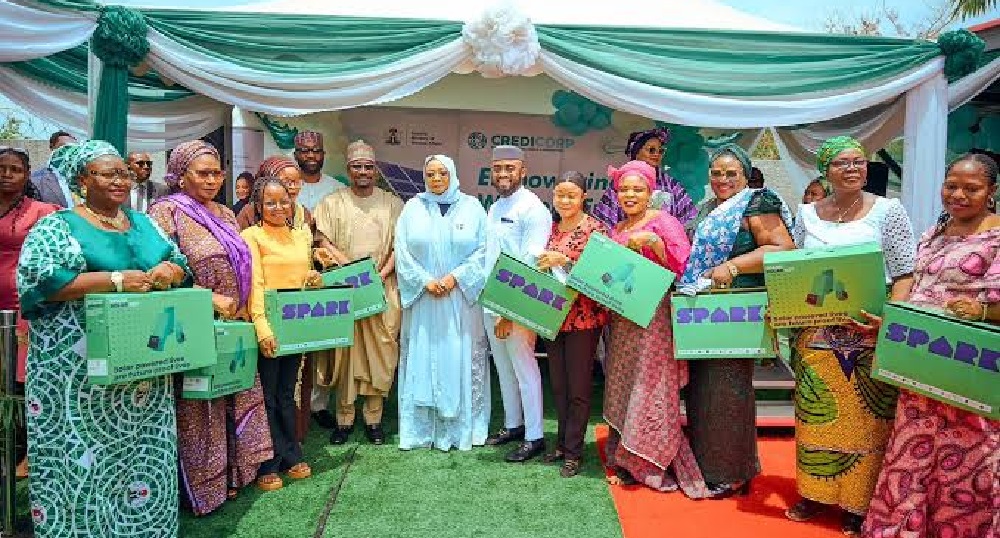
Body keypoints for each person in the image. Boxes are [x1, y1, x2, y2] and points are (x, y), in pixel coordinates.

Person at [17, 140, 189, 537]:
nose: (119, 181)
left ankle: (143, 528)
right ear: (82, 180)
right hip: (78, 373)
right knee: (82, 455)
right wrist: (113, 280)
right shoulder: (58, 225)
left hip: (142, 371)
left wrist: (170, 270)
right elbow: (40, 280)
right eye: (107, 174)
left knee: (142, 453)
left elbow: (179, 262)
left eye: (123, 173)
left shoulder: (143, 222)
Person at [862, 153, 1000, 538]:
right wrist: (893, 323)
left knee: (969, 462)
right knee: (912, 452)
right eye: (951, 186)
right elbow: (916, 288)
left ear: (991, 191)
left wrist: (981, 310)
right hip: (920, 369)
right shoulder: (934, 233)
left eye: (971, 188)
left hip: (968, 371)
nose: (958, 195)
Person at [786, 136, 916, 536]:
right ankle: (815, 493)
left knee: (866, 418)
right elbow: (795, 269)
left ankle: (859, 504)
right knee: (815, 414)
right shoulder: (807, 214)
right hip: (815, 337)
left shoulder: (888, 211)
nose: (853, 169)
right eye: (842, 163)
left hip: (868, 335)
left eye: (859, 161)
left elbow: (905, 273)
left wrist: (888, 323)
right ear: (825, 170)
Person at [148, 140, 272, 514]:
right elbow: (160, 272)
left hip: (233, 322)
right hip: (193, 323)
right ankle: (203, 488)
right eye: (202, 173)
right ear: (179, 176)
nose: (212, 180)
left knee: (235, 390)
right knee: (200, 405)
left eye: (217, 173)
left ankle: (236, 474)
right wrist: (209, 298)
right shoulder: (166, 212)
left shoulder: (226, 213)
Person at [677, 144, 795, 497]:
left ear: (746, 176)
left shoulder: (757, 203)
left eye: (731, 173)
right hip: (702, 314)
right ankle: (707, 465)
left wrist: (732, 266)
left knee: (727, 388)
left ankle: (732, 473)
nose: (723, 179)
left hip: (736, 313)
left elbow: (782, 248)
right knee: (702, 388)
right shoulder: (707, 208)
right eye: (716, 173)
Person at [601, 160, 706, 497]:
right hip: (623, 322)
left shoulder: (664, 222)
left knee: (650, 387)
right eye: (624, 189)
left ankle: (648, 463)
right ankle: (625, 455)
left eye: (637, 189)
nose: (630, 195)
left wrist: (655, 243)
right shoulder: (617, 228)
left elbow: (685, 268)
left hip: (653, 321)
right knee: (624, 384)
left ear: (650, 192)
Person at [394, 155, 490, 451]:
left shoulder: (472, 208)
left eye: (442, 173)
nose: (436, 179)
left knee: (460, 357)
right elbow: (402, 251)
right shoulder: (412, 208)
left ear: (453, 175)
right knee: (423, 358)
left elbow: (484, 251)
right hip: (424, 299)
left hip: (460, 299)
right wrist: (424, 280)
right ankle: (422, 431)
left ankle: (461, 430)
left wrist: (455, 278)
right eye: (431, 174)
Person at [241, 177, 331, 491]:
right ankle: (268, 462)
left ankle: (291, 454)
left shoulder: (300, 235)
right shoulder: (251, 236)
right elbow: (255, 285)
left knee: (286, 394)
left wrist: (314, 278)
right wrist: (262, 329)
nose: (278, 207)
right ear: (258, 205)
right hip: (268, 326)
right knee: (266, 397)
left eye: (284, 201)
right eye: (270, 202)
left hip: (295, 327)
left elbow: (302, 277)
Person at [313, 140, 403, 445]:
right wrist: (354, 272)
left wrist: (378, 276)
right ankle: (345, 418)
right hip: (347, 289)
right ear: (348, 169)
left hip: (382, 290)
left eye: (368, 167)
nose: (362, 172)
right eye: (356, 167)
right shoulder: (332, 203)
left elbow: (400, 247)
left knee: (382, 353)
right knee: (345, 356)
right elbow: (323, 241)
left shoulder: (392, 204)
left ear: (375, 170)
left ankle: (374, 419)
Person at [481, 145, 553, 462]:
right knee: (504, 369)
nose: (503, 174)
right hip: (491, 302)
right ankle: (513, 425)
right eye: (498, 168)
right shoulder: (496, 207)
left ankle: (535, 436)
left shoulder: (533, 209)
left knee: (524, 368)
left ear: (523, 171)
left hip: (514, 306)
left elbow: (529, 265)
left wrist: (507, 311)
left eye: (509, 168)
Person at [536, 171, 609, 477]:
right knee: (559, 385)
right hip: (554, 315)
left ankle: (574, 452)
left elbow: (603, 277)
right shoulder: (551, 229)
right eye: (560, 195)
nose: (564, 200)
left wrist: (563, 261)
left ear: (583, 197)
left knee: (578, 387)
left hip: (584, 318)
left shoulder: (596, 229)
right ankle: (561, 444)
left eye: (571, 195)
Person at [0, 147, 58, 479]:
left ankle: (26, 452)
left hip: (23, 307)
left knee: (21, 383)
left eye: (15, 169)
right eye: (1, 168)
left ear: (27, 175)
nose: (7, 174)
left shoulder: (43, 212)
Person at [593, 127, 697, 229]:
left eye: (661, 151)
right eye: (651, 150)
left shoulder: (671, 184)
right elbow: (604, 224)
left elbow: (689, 219)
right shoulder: (622, 181)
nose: (656, 154)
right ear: (636, 152)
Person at [237, 156, 314, 231]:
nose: (293, 187)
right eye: (286, 181)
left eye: (297, 182)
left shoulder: (303, 213)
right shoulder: (249, 212)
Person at [292, 131, 344, 211]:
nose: (311, 155)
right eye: (304, 150)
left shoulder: (338, 189)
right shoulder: (284, 189)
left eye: (316, 150)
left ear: (323, 154)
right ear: (295, 155)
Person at [30, 139, 79, 208]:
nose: (70, 152)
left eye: (75, 149)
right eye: (66, 147)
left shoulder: (83, 178)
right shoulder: (35, 181)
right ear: (53, 149)